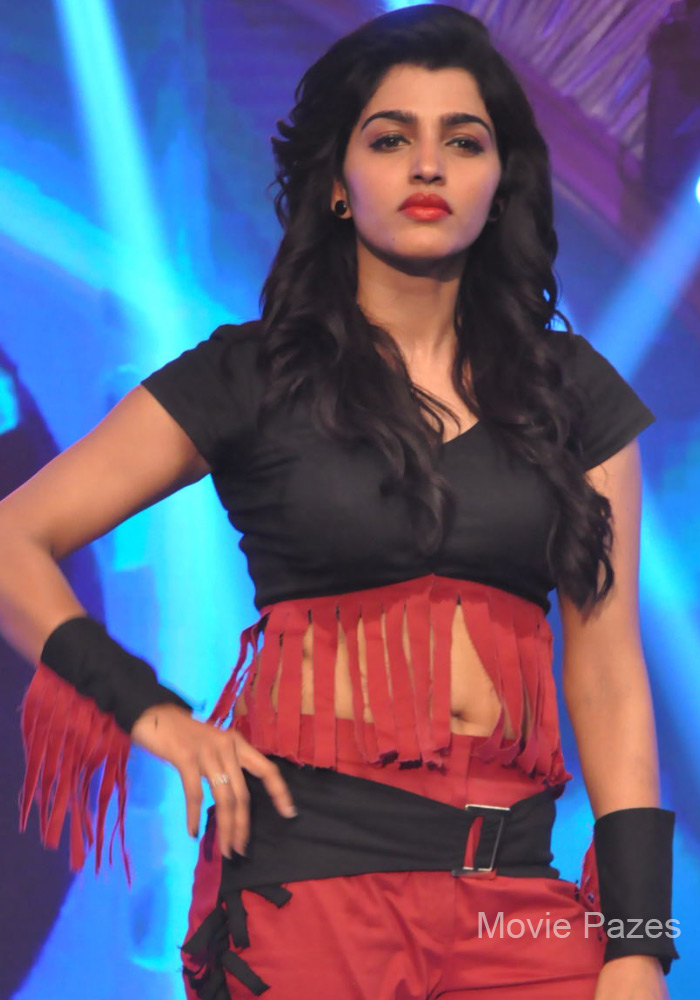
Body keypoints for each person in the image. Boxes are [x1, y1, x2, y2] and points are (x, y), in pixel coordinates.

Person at [2, 4, 678, 999]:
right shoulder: (253, 374)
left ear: (500, 184)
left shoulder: (572, 392)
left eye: (464, 141)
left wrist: (639, 939)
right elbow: (14, 536)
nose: (428, 166)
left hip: (515, 897)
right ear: (335, 181)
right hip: (308, 888)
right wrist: (149, 711)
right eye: (390, 138)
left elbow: (610, 677)